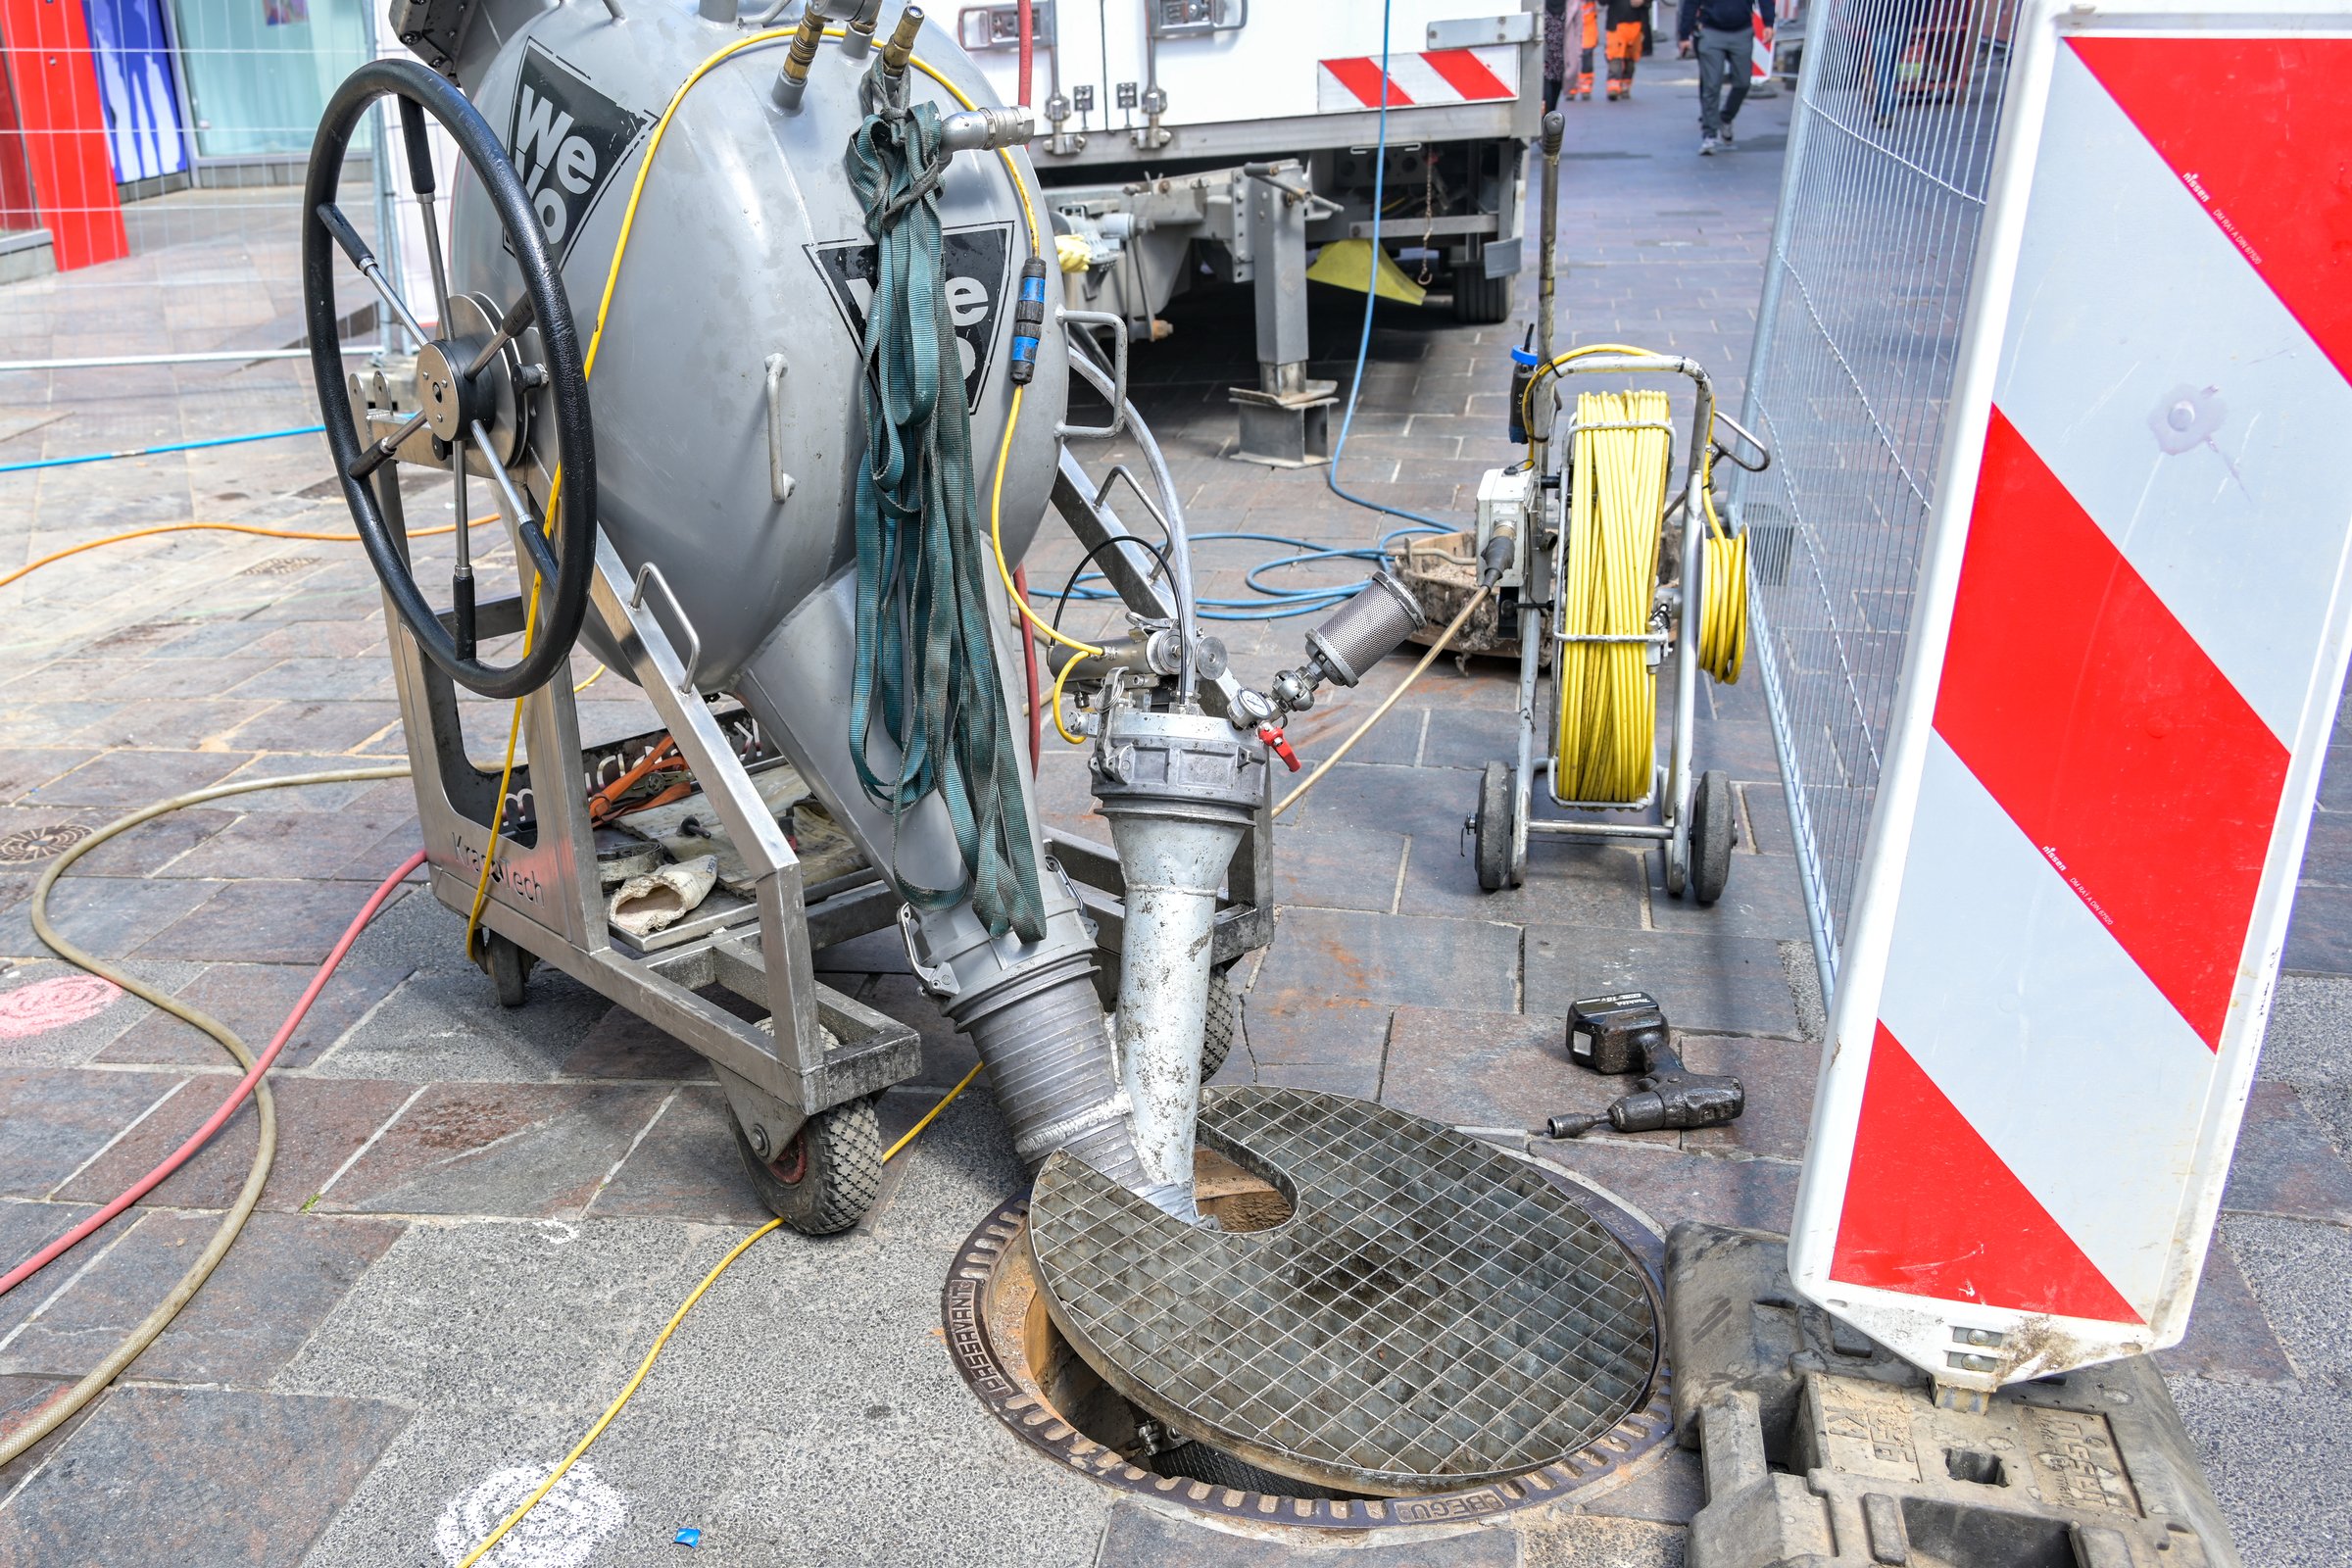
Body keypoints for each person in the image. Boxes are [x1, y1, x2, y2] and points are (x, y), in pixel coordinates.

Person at [1679, 0, 1774, 152]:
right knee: (1711, 85)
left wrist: (1768, 22)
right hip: (1711, 31)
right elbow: (1691, 3)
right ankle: (1709, 135)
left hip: (1742, 31)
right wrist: (1684, 35)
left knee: (1743, 83)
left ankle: (1725, 118)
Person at [1603, 0, 1651, 99]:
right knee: (1614, 55)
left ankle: (1625, 84)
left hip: (1638, 23)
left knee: (1631, 58)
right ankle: (1613, 87)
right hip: (1616, 23)